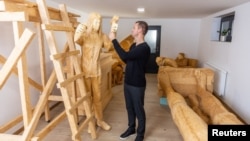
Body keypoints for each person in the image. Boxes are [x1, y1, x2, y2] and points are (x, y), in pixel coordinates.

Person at [109, 21, 151, 141]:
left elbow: (125, 57)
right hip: (128, 82)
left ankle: (140, 134)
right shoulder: (134, 46)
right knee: (129, 107)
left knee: (138, 109)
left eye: (134, 28)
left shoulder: (144, 48)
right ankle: (131, 128)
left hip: (137, 85)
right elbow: (129, 60)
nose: (132, 30)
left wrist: (114, 40)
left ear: (140, 30)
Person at [74, 12, 112, 131]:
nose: (98, 24)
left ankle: (100, 120)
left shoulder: (102, 36)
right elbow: (76, 40)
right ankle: (90, 122)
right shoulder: (85, 35)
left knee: (98, 97)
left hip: (96, 71)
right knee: (87, 98)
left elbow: (110, 47)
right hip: (85, 71)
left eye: (99, 22)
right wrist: (79, 29)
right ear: (90, 22)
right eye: (95, 21)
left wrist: (112, 30)